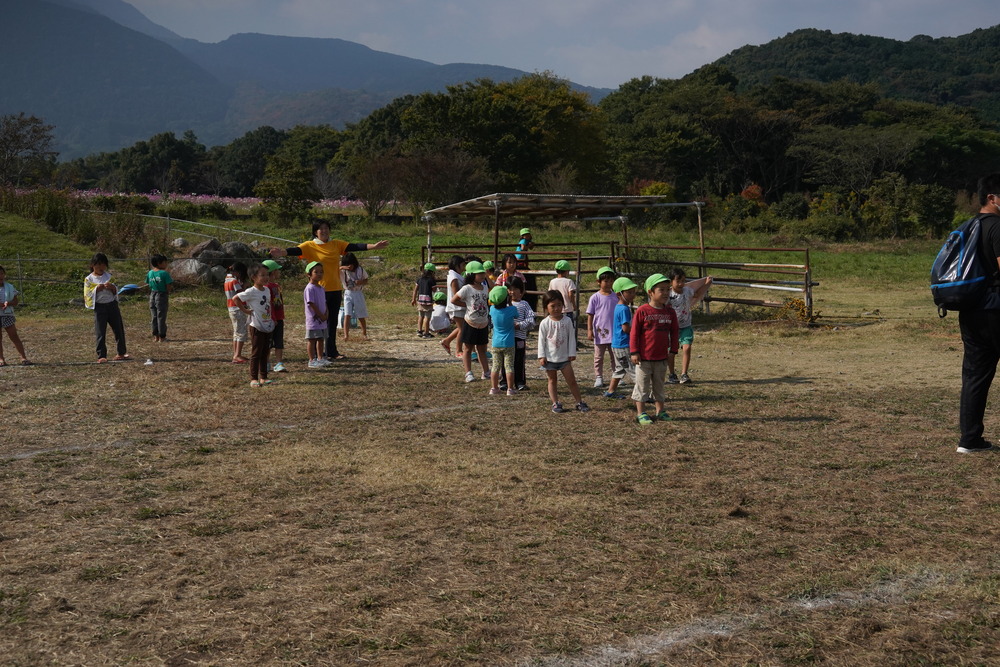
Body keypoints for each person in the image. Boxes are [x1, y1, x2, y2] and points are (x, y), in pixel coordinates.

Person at [270, 220, 388, 360]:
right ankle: (315, 354)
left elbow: (355, 246)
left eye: (326, 228)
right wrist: (282, 252)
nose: (324, 231)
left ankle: (331, 351)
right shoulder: (310, 245)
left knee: (332, 322)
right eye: (321, 229)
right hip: (319, 290)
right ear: (315, 232)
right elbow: (296, 250)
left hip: (335, 289)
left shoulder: (336, 244)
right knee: (319, 322)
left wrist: (373, 246)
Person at [957, 173, 1000, 453]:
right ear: (992, 198)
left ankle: (969, 440)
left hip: (971, 308)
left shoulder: (968, 226)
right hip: (996, 308)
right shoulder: (998, 227)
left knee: (975, 376)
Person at [631, 273, 679, 425]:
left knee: (659, 386)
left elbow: (675, 332)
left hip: (661, 358)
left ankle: (660, 411)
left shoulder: (670, 312)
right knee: (642, 386)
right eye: (661, 290)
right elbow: (634, 333)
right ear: (650, 292)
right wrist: (634, 352)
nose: (665, 293)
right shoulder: (642, 311)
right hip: (644, 359)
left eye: (667, 289)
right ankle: (641, 413)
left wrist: (673, 351)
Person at [538, 290, 589, 413]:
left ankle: (579, 402)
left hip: (565, 359)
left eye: (559, 305)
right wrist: (542, 356)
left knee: (572, 381)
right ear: (546, 307)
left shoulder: (567, 321)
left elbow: (572, 338)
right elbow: (541, 341)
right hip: (550, 359)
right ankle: (555, 403)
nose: (556, 308)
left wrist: (572, 353)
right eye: (553, 306)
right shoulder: (544, 323)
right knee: (552, 380)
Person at [666, 268, 713, 384]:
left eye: (683, 281)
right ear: (671, 281)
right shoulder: (667, 295)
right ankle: (672, 374)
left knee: (687, 348)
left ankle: (684, 374)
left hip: (686, 326)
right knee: (671, 352)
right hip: (672, 328)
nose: (681, 284)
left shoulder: (687, 291)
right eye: (678, 281)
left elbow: (697, 294)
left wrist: (706, 284)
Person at [233, 263, 275, 387]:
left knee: (265, 351)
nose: (266, 277)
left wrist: (272, 318)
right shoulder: (251, 291)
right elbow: (236, 298)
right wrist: (245, 310)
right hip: (256, 325)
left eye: (267, 275)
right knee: (256, 352)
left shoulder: (267, 290)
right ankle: (253, 378)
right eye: (262, 275)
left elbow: (268, 305)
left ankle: (264, 377)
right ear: (253, 277)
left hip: (266, 324)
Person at [83, 252, 129, 363]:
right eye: (98, 264)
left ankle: (121, 352)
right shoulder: (89, 279)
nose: (101, 267)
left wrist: (112, 287)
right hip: (100, 308)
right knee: (100, 331)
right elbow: (87, 293)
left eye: (103, 264)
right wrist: (96, 289)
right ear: (92, 265)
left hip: (112, 305)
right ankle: (101, 355)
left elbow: (116, 290)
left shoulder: (109, 276)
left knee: (118, 329)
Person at [452, 260, 491, 383]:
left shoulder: (485, 287)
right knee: (468, 349)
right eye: (479, 273)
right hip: (470, 323)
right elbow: (454, 300)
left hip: (483, 323)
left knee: (482, 349)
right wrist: (466, 305)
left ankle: (486, 372)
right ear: (471, 275)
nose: (482, 275)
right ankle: (468, 373)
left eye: (483, 273)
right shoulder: (467, 288)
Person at [605, 276, 638, 399]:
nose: (632, 295)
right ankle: (642, 395)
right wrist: (637, 331)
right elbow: (626, 328)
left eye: (633, 292)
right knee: (634, 371)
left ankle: (611, 391)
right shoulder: (624, 309)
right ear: (619, 294)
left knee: (620, 369)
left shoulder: (619, 307)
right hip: (623, 345)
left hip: (617, 345)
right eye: (629, 292)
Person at [586, 266, 619, 388]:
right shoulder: (595, 297)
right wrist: (590, 330)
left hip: (614, 332)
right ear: (598, 282)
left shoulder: (616, 296)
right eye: (606, 281)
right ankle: (599, 377)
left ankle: (617, 376)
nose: (609, 283)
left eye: (611, 281)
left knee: (615, 356)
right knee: (598, 357)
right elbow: (590, 315)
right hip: (600, 333)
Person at [488, 285, 518, 396]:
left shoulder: (492, 310)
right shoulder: (512, 309)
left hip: (496, 343)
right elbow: (517, 315)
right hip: (509, 343)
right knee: (509, 366)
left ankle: (494, 388)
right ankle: (510, 389)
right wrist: (510, 302)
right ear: (507, 298)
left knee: (495, 366)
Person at [506, 276, 534, 391]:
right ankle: (504, 382)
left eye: (515, 289)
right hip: (506, 338)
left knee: (519, 360)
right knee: (506, 361)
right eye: (509, 289)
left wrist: (519, 325)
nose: (512, 292)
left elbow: (531, 320)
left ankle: (520, 382)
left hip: (519, 338)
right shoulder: (504, 304)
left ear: (521, 290)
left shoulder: (524, 304)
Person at [0, 265, 31, 366]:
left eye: (2, 273)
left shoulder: (9, 287)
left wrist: (8, 303)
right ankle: (1, 359)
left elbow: (15, 301)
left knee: (14, 336)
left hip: (7, 314)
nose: (0, 276)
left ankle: (23, 357)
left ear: (4, 275)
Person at [304, 262, 331, 368]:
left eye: (321, 272)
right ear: (309, 274)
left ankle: (320, 358)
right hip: (314, 320)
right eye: (316, 272)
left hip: (322, 320)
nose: (319, 274)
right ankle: (311, 360)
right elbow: (311, 304)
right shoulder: (309, 288)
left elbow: (324, 302)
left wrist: (326, 313)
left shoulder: (321, 288)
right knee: (312, 340)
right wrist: (320, 315)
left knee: (321, 339)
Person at [262, 259, 287, 373]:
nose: (279, 272)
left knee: (279, 341)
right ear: (272, 272)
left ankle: (279, 362)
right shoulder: (266, 287)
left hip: (279, 318)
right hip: (270, 319)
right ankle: (266, 362)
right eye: (277, 270)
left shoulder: (276, 286)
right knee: (268, 342)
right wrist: (272, 317)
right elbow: (268, 304)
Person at [340, 252, 369, 341]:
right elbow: (332, 270)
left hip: (358, 292)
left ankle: (364, 333)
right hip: (348, 293)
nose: (350, 267)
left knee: (360, 314)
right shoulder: (342, 271)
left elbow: (366, 280)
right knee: (347, 314)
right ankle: (346, 335)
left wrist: (360, 282)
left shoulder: (360, 269)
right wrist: (342, 267)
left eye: (351, 264)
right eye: (347, 264)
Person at [441, 255, 466, 357]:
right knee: (462, 329)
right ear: (457, 266)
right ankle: (458, 351)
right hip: (457, 307)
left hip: (458, 306)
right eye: (462, 265)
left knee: (461, 327)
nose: (464, 267)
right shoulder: (454, 278)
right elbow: (457, 294)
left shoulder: (456, 276)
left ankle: (447, 341)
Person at [224, 262, 249, 364]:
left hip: (231, 308)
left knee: (236, 332)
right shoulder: (234, 281)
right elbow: (241, 295)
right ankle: (237, 355)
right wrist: (245, 287)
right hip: (238, 308)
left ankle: (236, 354)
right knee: (242, 332)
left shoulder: (227, 279)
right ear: (238, 272)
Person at [145, 254, 173, 342]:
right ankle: (162, 336)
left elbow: (148, 283)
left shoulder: (150, 273)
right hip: (162, 295)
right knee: (161, 316)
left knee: (154, 316)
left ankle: (156, 336)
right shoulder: (164, 273)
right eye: (165, 262)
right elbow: (168, 285)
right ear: (159, 263)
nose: (166, 264)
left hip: (152, 294)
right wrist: (167, 292)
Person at [411, 262, 437, 338]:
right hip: (428, 301)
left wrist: (413, 299)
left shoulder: (419, 279)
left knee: (421, 316)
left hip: (420, 300)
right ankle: (426, 333)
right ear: (432, 272)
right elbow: (434, 290)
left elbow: (415, 290)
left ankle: (419, 331)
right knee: (427, 317)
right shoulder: (431, 280)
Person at [548, 260, 578, 325]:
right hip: (567, 309)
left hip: (555, 309)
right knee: (569, 327)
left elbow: (550, 294)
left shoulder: (552, 281)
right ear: (566, 272)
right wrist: (574, 305)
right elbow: (571, 294)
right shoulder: (569, 281)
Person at [515, 227, 538, 310]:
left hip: (522, 258)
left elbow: (530, 247)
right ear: (522, 236)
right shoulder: (523, 241)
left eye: (528, 235)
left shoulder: (526, 241)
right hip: (519, 258)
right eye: (525, 235)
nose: (527, 236)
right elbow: (523, 248)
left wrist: (531, 244)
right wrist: (529, 245)